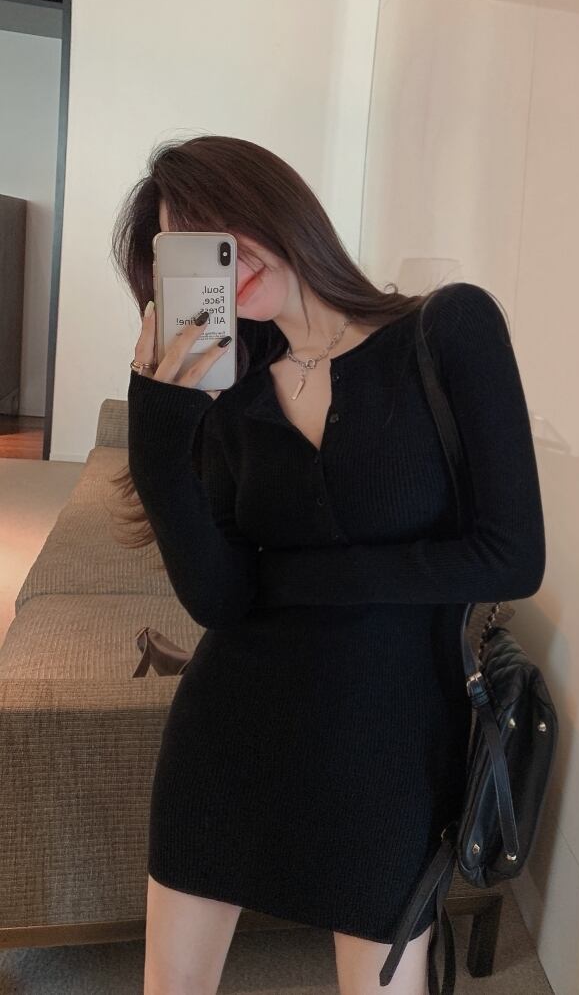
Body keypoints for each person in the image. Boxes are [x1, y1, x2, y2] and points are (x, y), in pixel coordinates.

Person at [110, 134, 546, 995]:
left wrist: (301, 578)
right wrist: (158, 444)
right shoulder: (231, 392)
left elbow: (511, 556)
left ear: (276, 202)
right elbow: (221, 601)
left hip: (391, 745)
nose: (225, 264)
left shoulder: (447, 330)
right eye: (189, 250)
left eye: (222, 229)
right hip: (227, 734)